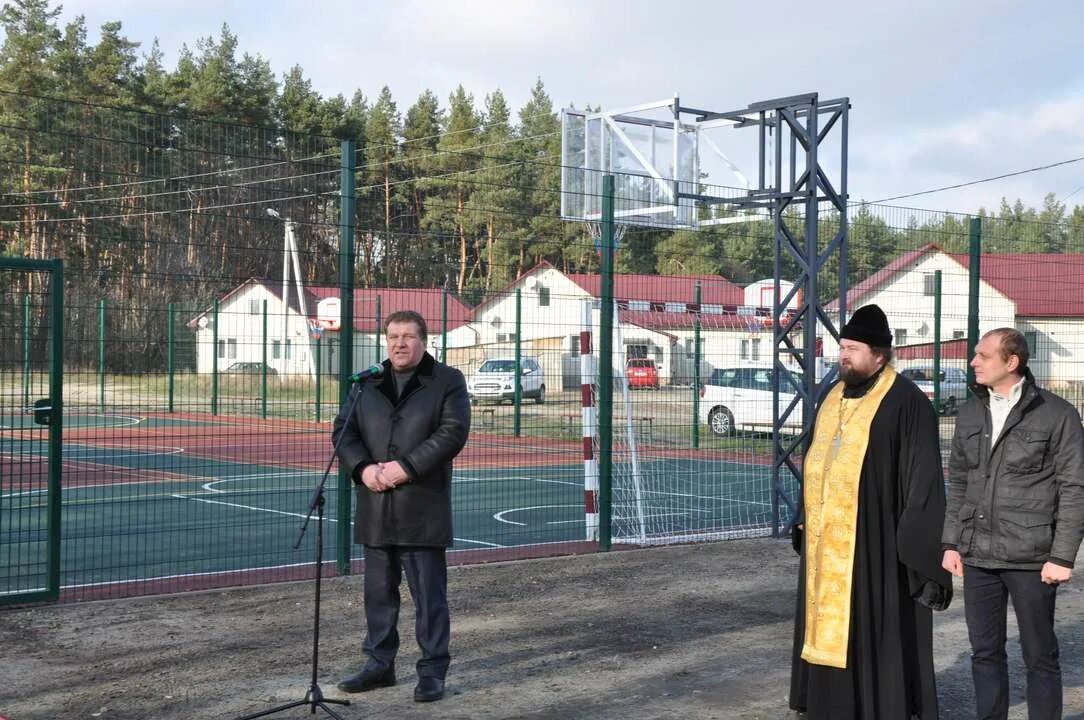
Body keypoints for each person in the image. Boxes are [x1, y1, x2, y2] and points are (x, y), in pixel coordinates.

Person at [789, 304, 952, 720]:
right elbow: (815, 460)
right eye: (842, 347)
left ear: (880, 355)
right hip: (827, 543)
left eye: (853, 349)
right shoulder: (833, 396)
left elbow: (923, 480)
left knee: (871, 626)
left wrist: (916, 546)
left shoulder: (906, 402)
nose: (843, 356)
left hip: (875, 543)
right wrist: (803, 514)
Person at [941, 328, 1084, 720]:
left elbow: (1075, 488)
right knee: (985, 652)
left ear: (1012, 362)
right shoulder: (970, 412)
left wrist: (1062, 556)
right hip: (977, 555)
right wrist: (951, 542)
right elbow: (960, 481)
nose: (973, 362)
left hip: (1033, 558)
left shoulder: (1058, 415)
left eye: (983, 356)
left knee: (1040, 655)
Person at [332, 310, 470, 703]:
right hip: (375, 505)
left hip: (421, 508)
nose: (399, 343)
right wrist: (362, 469)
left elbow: (452, 433)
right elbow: (344, 430)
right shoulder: (367, 383)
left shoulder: (446, 380)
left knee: (429, 597)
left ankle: (431, 671)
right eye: (393, 336)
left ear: (423, 341)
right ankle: (379, 665)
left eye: (408, 336)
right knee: (378, 593)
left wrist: (405, 468)